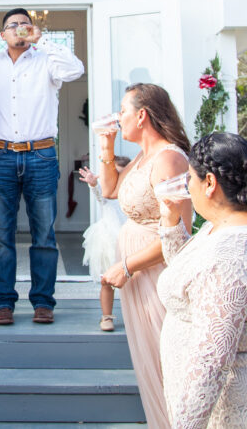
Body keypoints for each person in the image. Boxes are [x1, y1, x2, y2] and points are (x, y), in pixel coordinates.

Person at [157, 132, 247, 427]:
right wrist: (171, 219)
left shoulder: (230, 257)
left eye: (190, 178)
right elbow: (188, 278)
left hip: (238, 413)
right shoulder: (234, 224)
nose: (186, 186)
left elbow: (210, 365)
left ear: (209, 183)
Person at [0, 8, 84, 325]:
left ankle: (43, 302)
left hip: (41, 155)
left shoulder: (47, 60)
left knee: (44, 234)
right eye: (13, 25)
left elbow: (75, 69)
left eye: (26, 24)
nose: (20, 28)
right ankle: (3, 303)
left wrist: (42, 40)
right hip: (1, 157)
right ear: (3, 35)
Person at [96, 83, 192, 429]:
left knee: (166, 364)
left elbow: (179, 234)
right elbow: (108, 189)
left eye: (123, 111)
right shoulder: (142, 156)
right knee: (147, 361)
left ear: (142, 114)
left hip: (156, 274)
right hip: (137, 275)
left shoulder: (169, 159)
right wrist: (107, 146)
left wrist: (126, 266)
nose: (119, 118)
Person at [77, 155, 131, 331]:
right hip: (108, 241)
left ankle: (137, 313)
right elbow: (99, 194)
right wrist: (93, 183)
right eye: (115, 174)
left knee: (135, 280)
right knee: (107, 281)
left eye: (123, 174)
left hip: (130, 241)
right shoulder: (107, 193)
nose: (118, 178)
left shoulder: (132, 193)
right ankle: (107, 316)